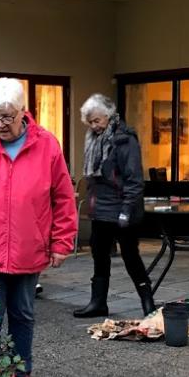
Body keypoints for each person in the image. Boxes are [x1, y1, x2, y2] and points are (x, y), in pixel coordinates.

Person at [0, 78, 78, 375]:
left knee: (22, 314)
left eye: (6, 117)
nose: (0, 124)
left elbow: (63, 196)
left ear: (23, 112)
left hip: (28, 249)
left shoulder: (47, 145)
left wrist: (61, 242)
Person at [73, 94, 154, 319]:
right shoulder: (93, 138)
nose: (93, 126)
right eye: (90, 122)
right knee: (99, 254)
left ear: (108, 116)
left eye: (97, 121)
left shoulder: (124, 139)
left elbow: (134, 178)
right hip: (101, 208)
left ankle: (148, 303)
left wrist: (127, 210)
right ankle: (98, 303)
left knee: (130, 256)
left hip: (121, 208)